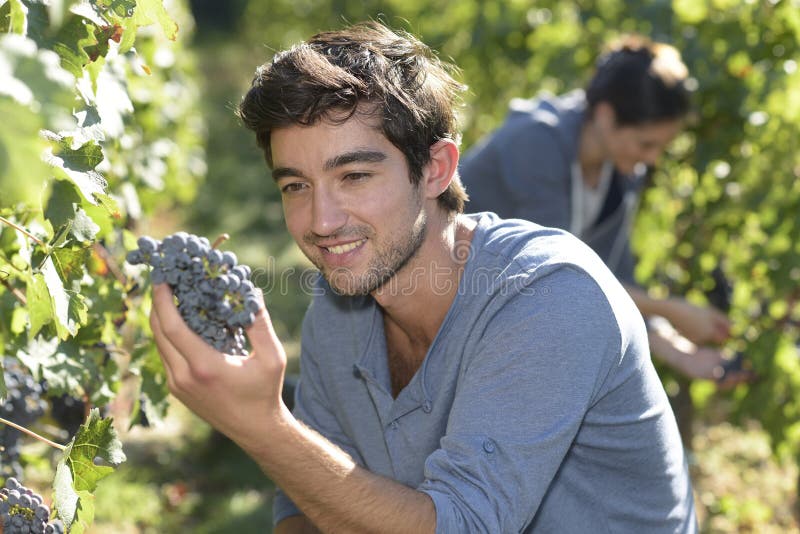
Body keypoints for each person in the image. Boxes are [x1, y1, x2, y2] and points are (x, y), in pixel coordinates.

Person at [149, 22, 697, 532]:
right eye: (296, 186)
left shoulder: (550, 296)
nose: (321, 222)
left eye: (355, 175)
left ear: (436, 169)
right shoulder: (338, 311)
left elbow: (463, 524)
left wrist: (261, 426)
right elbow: (307, 500)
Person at [459, 35, 746, 387]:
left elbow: (614, 275)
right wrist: (671, 308)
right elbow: (558, 276)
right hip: (450, 320)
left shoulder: (622, 173)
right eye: (646, 143)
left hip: (507, 324)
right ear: (607, 116)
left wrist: (683, 353)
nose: (653, 158)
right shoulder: (536, 142)